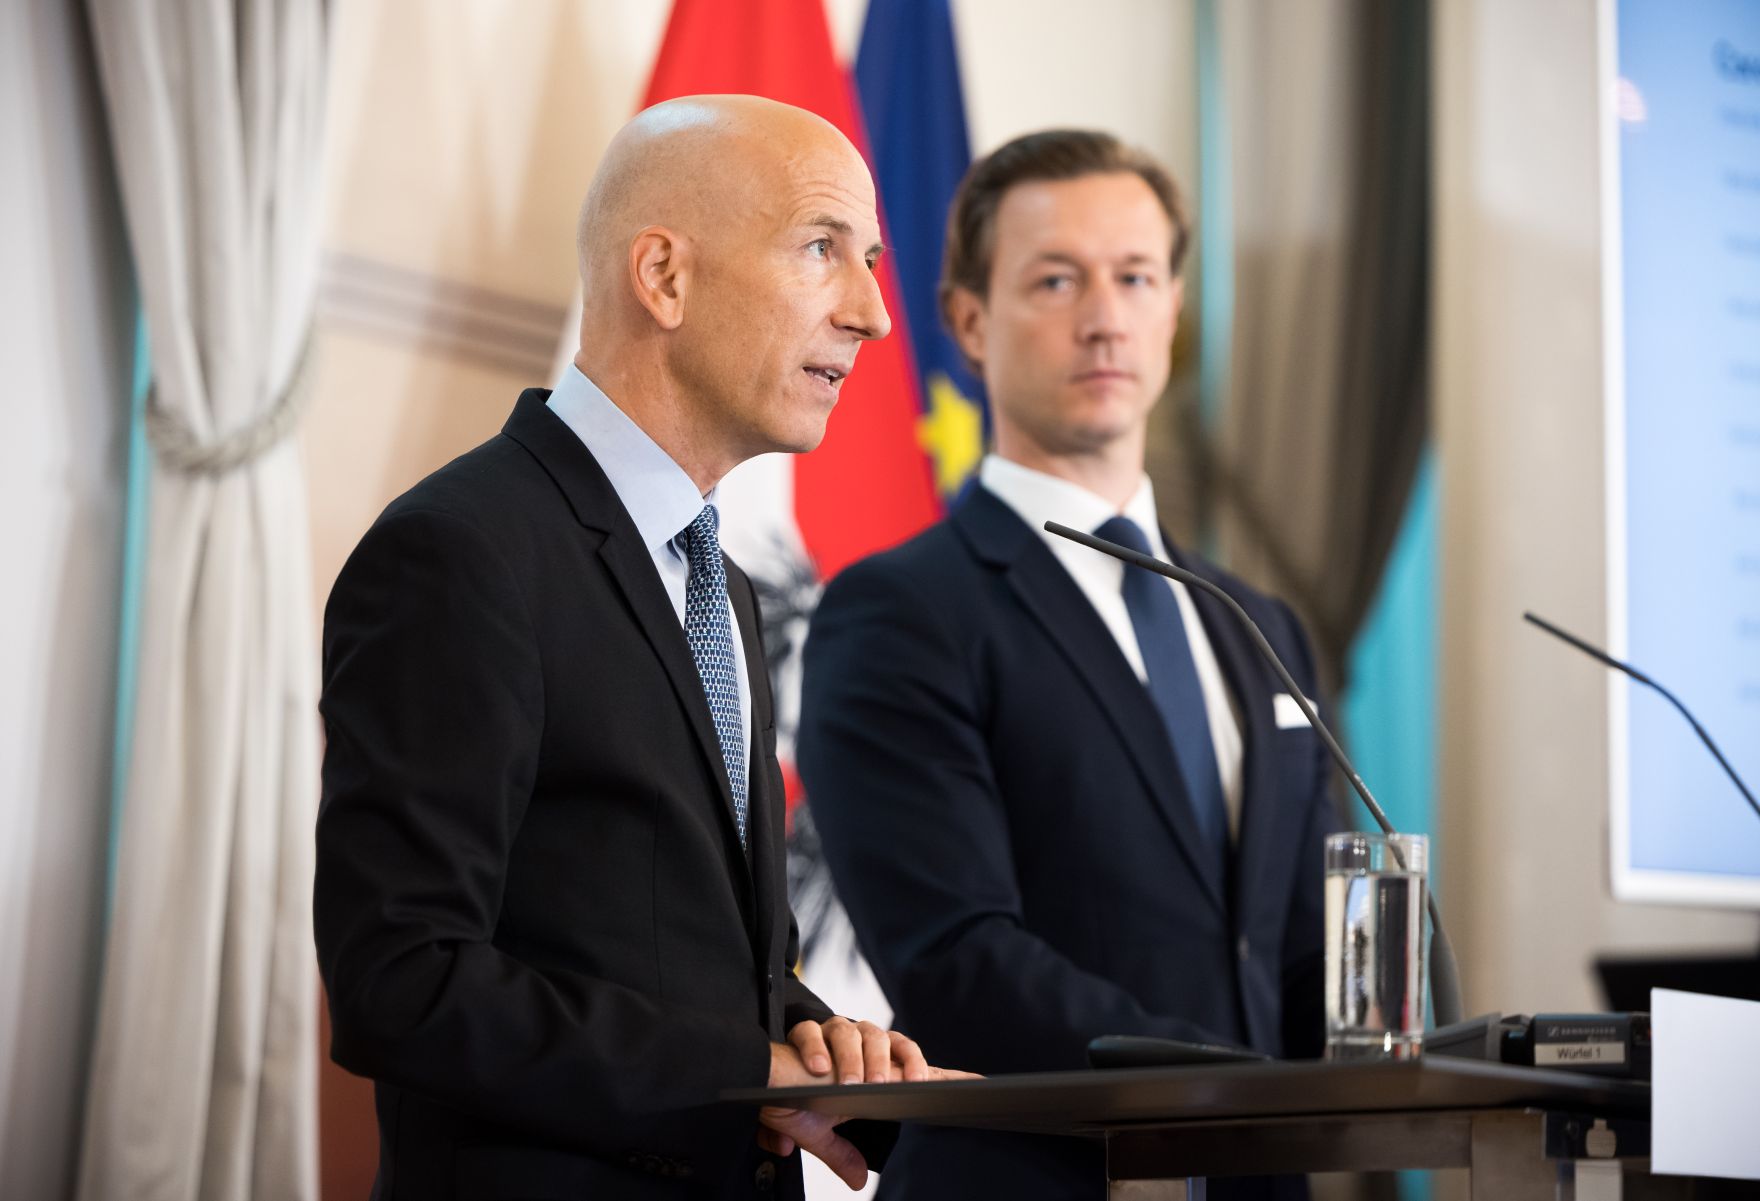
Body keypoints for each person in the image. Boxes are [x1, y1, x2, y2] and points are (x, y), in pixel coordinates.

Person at [315, 94, 965, 1201]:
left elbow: (677, 953)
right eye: (822, 248)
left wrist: (819, 1045)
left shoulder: (725, 587)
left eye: (870, 261)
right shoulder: (461, 551)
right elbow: (403, 979)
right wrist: (741, 1075)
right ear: (662, 276)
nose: (872, 315)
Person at [798, 129, 1337, 1200]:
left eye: (1135, 277)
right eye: (1056, 280)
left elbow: (1308, 940)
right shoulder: (899, 612)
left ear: (1172, 310)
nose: (1104, 317)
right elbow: (955, 955)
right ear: (968, 322)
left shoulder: (1259, 625)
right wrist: (1228, 1083)